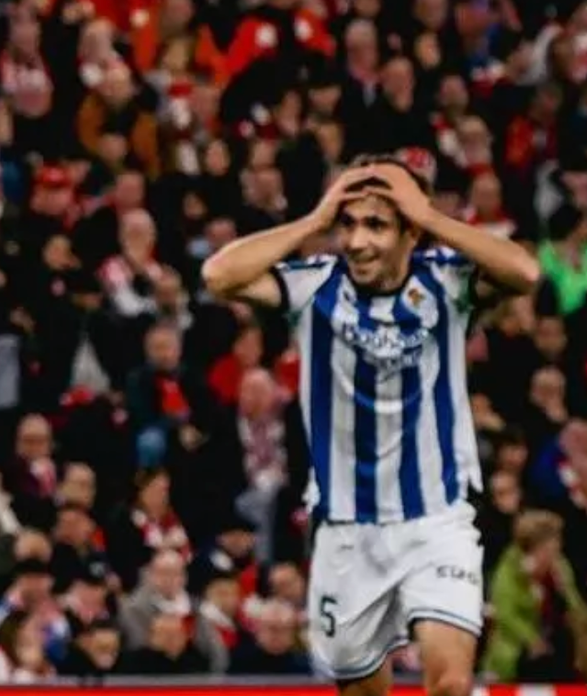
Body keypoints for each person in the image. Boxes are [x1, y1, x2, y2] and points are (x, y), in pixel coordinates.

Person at [201, 153, 541, 696]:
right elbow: (218, 274)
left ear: (410, 231)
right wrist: (314, 221)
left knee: (450, 684)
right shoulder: (315, 284)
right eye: (349, 224)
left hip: (435, 521)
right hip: (347, 533)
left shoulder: (446, 282)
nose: (357, 241)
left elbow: (524, 273)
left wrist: (429, 216)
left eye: (377, 225)